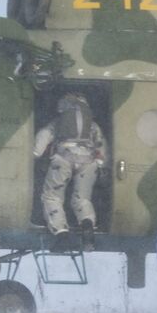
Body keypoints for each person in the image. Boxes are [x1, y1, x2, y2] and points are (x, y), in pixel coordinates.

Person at [33, 92, 106, 251]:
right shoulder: (92, 126)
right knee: (82, 199)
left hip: (63, 159)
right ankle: (87, 226)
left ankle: (61, 234)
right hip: (89, 162)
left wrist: (35, 154)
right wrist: (100, 164)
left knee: (52, 197)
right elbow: (101, 146)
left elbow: (43, 137)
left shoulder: (58, 122)